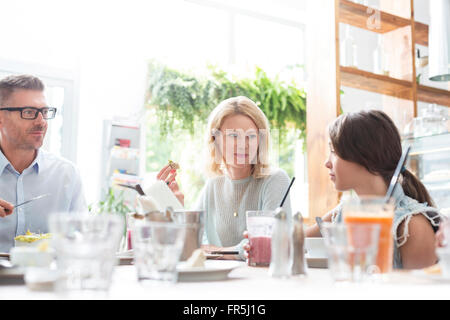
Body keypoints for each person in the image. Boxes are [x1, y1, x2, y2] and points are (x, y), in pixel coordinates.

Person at [303, 110, 443, 269]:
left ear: (364, 156)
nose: (327, 163)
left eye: (334, 152)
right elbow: (295, 241)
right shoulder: (345, 211)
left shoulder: (411, 226)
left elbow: (419, 292)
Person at [157, 96, 292, 260]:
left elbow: (272, 243)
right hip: (218, 282)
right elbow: (191, 245)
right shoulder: (213, 185)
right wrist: (173, 206)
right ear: (216, 139)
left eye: (251, 136)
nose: (243, 144)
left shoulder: (275, 179)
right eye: (233, 136)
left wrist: (216, 251)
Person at [0, 74, 86, 252]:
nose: (41, 122)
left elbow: (81, 242)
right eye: (29, 112)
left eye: (44, 112)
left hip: (47, 278)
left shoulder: (67, 175)